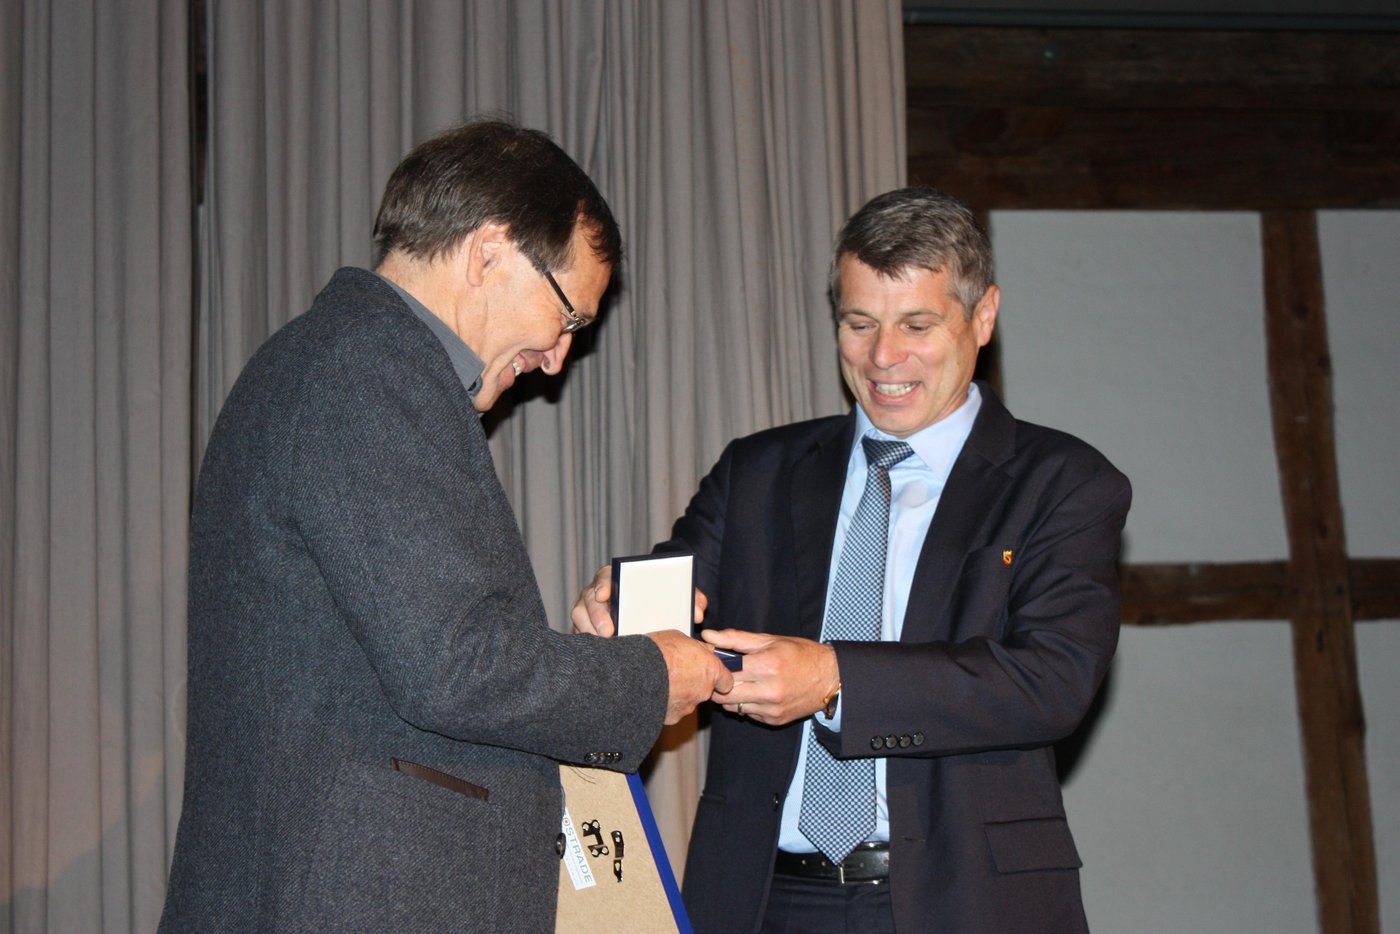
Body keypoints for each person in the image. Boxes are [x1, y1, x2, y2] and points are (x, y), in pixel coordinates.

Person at [159, 119, 733, 933]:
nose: (558, 357)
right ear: (489, 250)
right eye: (567, 317)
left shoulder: (350, 366)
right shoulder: (363, 372)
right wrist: (649, 678)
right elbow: (457, 665)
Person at [574, 187, 1131, 933]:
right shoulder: (757, 472)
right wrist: (620, 615)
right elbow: (680, 602)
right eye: (858, 323)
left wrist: (837, 680)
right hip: (763, 898)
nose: (882, 357)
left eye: (917, 326)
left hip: (967, 900)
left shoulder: (1062, 481)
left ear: (985, 317)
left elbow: (1051, 680)